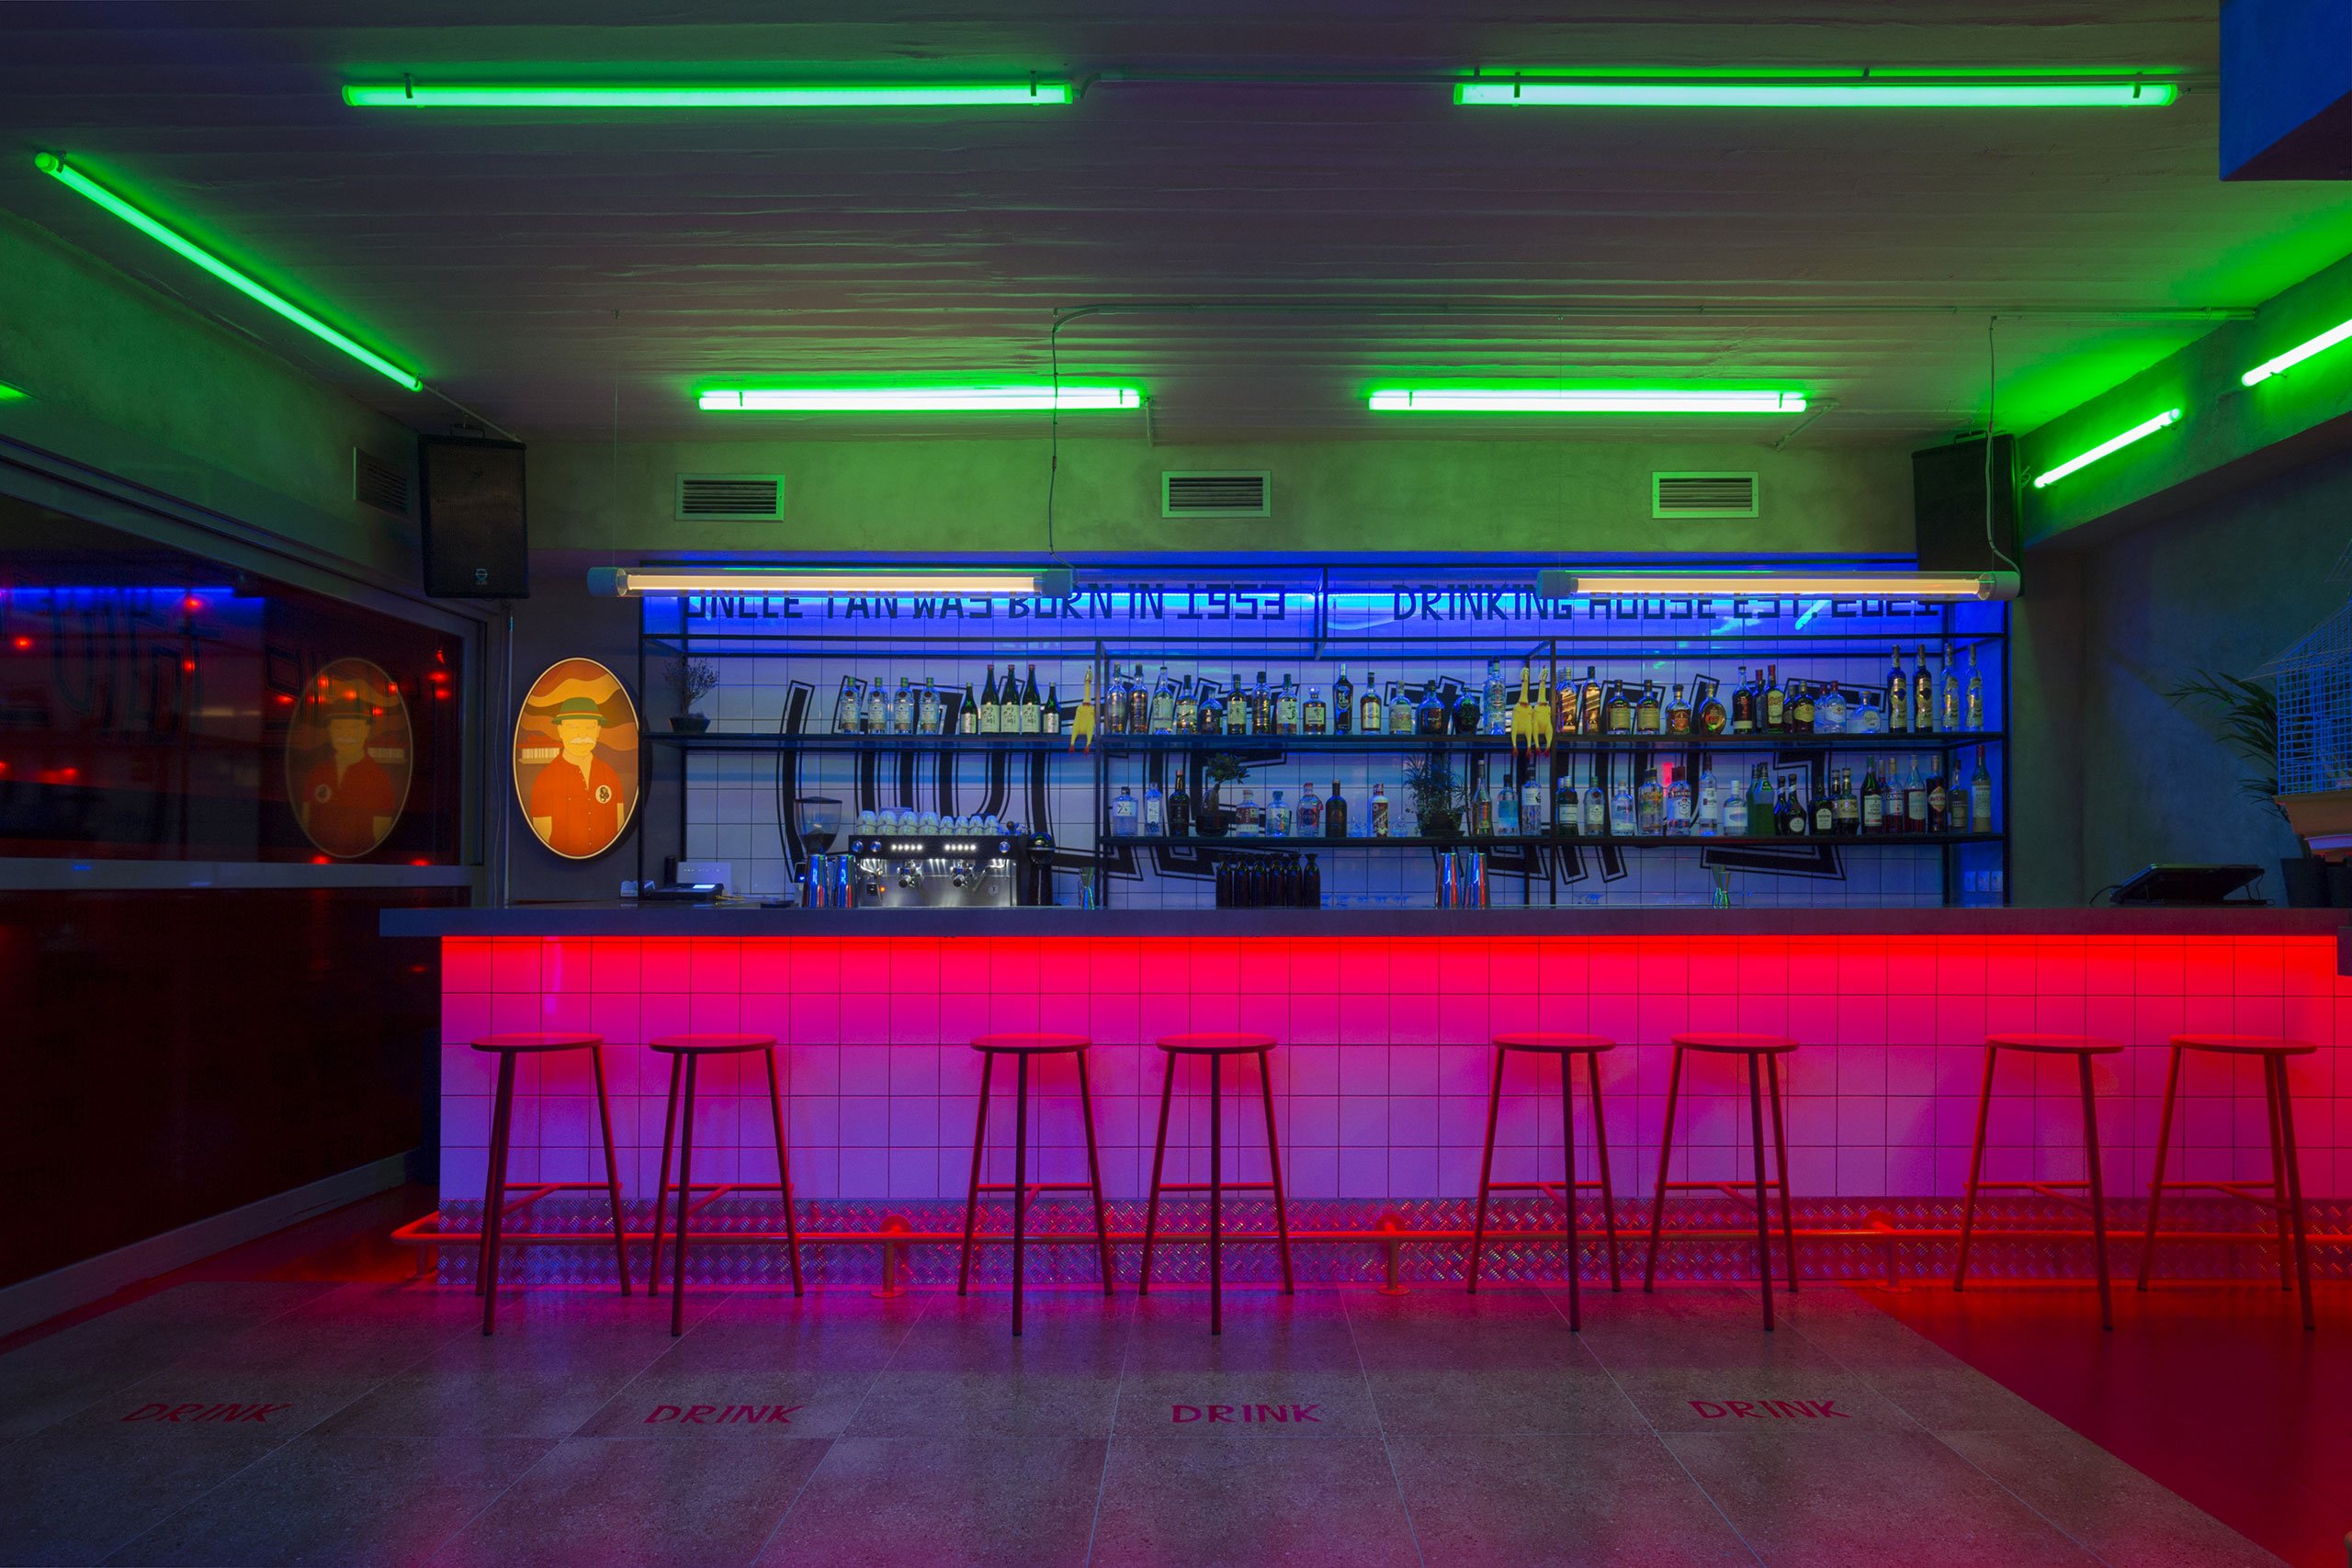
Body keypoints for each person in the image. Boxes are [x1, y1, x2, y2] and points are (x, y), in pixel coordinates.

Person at [297, 693, 398, 856]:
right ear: (329, 731)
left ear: (366, 730)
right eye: (338, 727)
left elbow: (381, 837)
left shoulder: (379, 779)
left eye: (354, 727)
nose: (345, 735)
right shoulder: (316, 774)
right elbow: (305, 824)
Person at [526, 694, 628, 857]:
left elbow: (620, 826)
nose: (582, 735)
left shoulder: (609, 774)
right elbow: (541, 837)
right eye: (573, 727)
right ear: (560, 731)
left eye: (589, 727)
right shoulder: (545, 779)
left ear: (598, 731)